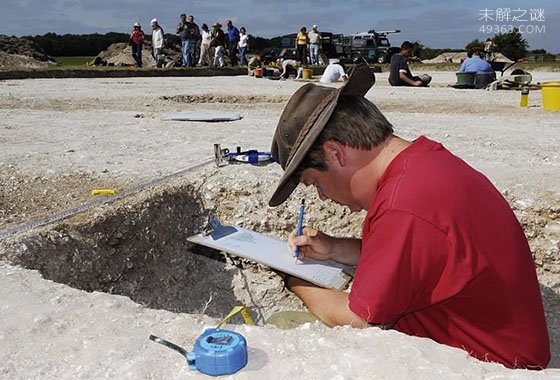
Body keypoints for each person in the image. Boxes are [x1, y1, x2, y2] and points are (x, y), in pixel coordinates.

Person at [268, 64, 550, 370]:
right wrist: (334, 248)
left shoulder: (402, 206)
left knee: (289, 329)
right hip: (506, 344)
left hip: (495, 365)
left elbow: (358, 319)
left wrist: (293, 279)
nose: (323, 196)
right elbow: (415, 260)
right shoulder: (422, 165)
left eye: (315, 183)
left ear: (336, 154)